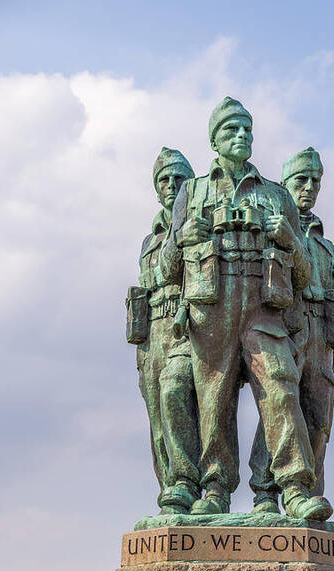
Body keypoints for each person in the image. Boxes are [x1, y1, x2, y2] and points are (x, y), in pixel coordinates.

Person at [161, 99, 332, 520]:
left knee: (280, 389)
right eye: (231, 130)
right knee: (213, 401)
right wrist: (183, 236)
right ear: (214, 140)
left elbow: (306, 274)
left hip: (262, 309)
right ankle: (215, 488)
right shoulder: (193, 191)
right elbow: (167, 269)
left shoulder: (276, 194)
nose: (241, 137)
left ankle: (293, 488)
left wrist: (290, 238)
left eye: (247, 130)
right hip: (212, 309)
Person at [249, 147, 334, 513]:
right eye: (301, 180)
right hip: (286, 331)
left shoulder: (327, 246)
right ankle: (265, 492)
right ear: (285, 184)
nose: (309, 187)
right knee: (279, 410)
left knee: (318, 421)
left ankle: (308, 495)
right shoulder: (273, 229)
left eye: (315, 181)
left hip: (322, 340)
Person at [130, 147, 201, 514]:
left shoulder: (197, 224)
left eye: (178, 178)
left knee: (178, 397)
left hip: (185, 327)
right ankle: (172, 496)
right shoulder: (150, 239)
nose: (171, 185)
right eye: (164, 180)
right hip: (150, 334)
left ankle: (189, 482)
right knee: (158, 423)